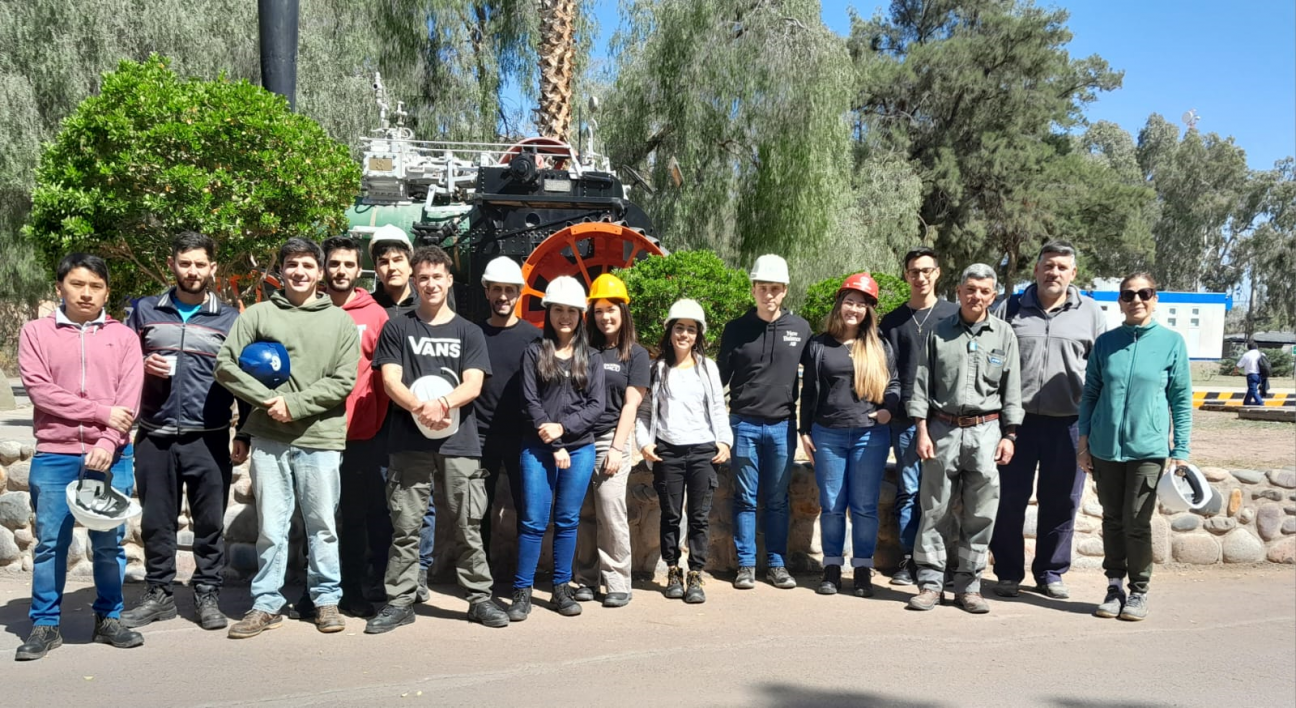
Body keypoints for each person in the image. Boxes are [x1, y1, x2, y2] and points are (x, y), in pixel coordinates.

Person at [215, 238, 359, 639]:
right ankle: (266, 604)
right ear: (281, 270)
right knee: (272, 527)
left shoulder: (340, 322)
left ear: (319, 272)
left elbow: (343, 381)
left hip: (321, 439)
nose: (300, 272)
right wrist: (267, 401)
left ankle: (326, 599)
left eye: (308, 265)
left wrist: (293, 405)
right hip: (269, 438)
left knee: (323, 525)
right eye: (292, 264)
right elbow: (225, 365)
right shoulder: (259, 314)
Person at [365, 245, 508, 633]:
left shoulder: (469, 331)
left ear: (449, 280)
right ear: (415, 281)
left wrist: (441, 403)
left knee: (467, 523)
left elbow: (474, 383)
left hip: (459, 442)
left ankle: (479, 599)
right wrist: (419, 407)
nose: (430, 283)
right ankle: (400, 601)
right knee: (407, 525)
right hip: (409, 440)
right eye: (422, 277)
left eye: (436, 276)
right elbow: (389, 380)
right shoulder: (398, 327)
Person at [16, 253, 144, 661]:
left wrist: (108, 441)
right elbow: (40, 391)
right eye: (77, 284)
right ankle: (45, 624)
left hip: (113, 457)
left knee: (110, 544)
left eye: (96, 286)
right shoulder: (35, 332)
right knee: (51, 544)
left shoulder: (123, 337)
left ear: (107, 291)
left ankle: (109, 618)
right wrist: (99, 412)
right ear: (60, 288)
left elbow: (130, 397)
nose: (86, 293)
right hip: (55, 454)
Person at [120, 232, 241, 632]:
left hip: (208, 435)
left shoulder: (230, 319)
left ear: (212, 268)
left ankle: (207, 594)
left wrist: (247, 434)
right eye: (185, 263)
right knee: (157, 522)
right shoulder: (143, 311)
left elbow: (245, 379)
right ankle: (159, 594)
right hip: (154, 435)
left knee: (209, 523)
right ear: (171, 264)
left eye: (200, 264)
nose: (192, 271)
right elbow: (119, 364)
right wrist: (141, 363)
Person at [989, 241, 1106, 600]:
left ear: (1073, 274)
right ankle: (1008, 572)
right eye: (1048, 265)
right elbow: (993, 359)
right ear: (1036, 269)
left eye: (1062, 267)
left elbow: (1100, 370)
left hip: (1069, 424)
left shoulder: (1090, 312)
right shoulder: (1009, 308)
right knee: (1009, 499)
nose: (1054, 272)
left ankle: (1050, 572)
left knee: (1061, 502)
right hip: (1016, 424)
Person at [907, 264, 1022, 615]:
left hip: (987, 432)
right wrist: (922, 431)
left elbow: (1012, 388)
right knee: (935, 508)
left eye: (984, 291)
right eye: (970, 289)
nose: (976, 296)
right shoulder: (939, 333)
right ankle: (930, 583)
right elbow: (922, 386)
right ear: (958, 291)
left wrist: (1010, 435)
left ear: (993, 295)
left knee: (980, 512)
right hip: (942, 430)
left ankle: (969, 587)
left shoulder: (1004, 335)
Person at [1078, 273, 1191, 622]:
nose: (1136, 300)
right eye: (1129, 294)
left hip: (1149, 450)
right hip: (1105, 448)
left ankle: (1139, 590)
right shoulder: (1106, 343)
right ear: (1120, 301)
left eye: (1144, 293)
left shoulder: (1172, 342)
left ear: (1155, 299)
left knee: (1137, 521)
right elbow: (1091, 394)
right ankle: (1114, 586)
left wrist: (1181, 449)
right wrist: (1084, 442)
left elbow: (1181, 399)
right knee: (1112, 519)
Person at [509, 276, 606, 620]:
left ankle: (561, 589)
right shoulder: (534, 352)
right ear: (548, 311)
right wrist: (554, 442)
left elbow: (596, 405)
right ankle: (521, 590)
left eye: (572, 310)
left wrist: (563, 431)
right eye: (559, 309)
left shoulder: (591, 358)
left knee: (567, 521)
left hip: (579, 449)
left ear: (581, 314)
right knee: (534, 521)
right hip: (537, 449)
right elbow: (530, 403)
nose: (565, 316)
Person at [800, 274, 900, 598]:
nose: (853, 309)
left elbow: (895, 384)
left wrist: (888, 410)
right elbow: (809, 391)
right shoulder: (818, 344)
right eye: (849, 301)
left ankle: (861, 569)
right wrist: (804, 430)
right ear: (840, 303)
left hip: (869, 436)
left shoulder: (880, 345)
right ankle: (831, 567)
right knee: (831, 504)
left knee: (864, 507)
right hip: (827, 434)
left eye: (861, 303)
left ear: (869, 310)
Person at [718, 254, 811, 590]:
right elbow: (719, 382)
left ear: (784, 290)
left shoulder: (800, 329)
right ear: (753, 289)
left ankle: (776, 563)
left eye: (775, 288)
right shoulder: (736, 330)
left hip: (781, 426)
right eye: (762, 288)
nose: (768, 294)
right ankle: (745, 565)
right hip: (743, 424)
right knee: (744, 498)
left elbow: (814, 382)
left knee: (777, 499)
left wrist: (807, 427)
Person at [637, 300, 732, 604]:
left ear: (698, 335)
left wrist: (724, 441)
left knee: (699, 516)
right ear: (670, 331)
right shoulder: (658, 369)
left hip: (703, 450)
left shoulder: (708, 368)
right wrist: (644, 442)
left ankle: (695, 573)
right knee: (670, 514)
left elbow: (718, 407)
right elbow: (645, 412)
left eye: (691, 329)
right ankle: (673, 570)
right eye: (680, 327)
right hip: (668, 450)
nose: (685, 334)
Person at [322, 235, 392, 619]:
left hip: (360, 436)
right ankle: (315, 593)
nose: (341, 271)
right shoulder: (311, 310)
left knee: (355, 518)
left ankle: (352, 591)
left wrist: (373, 422)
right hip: (315, 434)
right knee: (315, 518)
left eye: (348, 265)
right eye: (334, 264)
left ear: (357, 270)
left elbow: (383, 376)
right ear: (324, 268)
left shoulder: (375, 314)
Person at [880, 247, 959, 585]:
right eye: (914, 271)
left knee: (945, 492)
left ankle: (942, 560)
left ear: (937, 273)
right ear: (906, 275)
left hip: (946, 418)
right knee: (909, 491)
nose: (920, 277)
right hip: (905, 420)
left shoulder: (954, 315)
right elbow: (886, 371)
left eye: (927, 270)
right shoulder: (892, 321)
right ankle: (910, 558)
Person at [573, 274, 650, 608]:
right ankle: (585, 580)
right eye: (600, 310)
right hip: (580, 439)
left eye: (612, 309)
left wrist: (619, 449)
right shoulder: (582, 350)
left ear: (624, 312)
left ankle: (618, 581)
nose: (606, 316)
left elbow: (631, 404)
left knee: (609, 507)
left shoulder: (636, 355)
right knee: (584, 512)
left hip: (609, 439)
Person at [472, 257, 542, 574]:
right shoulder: (471, 334)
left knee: (526, 507)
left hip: (522, 437)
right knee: (477, 510)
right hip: (479, 435)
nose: (503, 296)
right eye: (496, 289)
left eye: (509, 290)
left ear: (519, 294)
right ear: (487, 292)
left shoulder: (534, 338)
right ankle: (480, 576)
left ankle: (523, 577)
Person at [370, 224, 416, 313]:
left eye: (397, 260)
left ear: (410, 266)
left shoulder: (427, 306)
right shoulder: (367, 308)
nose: (391, 267)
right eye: (384, 262)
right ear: (376, 270)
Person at [1236, 341, 1264, 406]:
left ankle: (1260, 403)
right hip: (1261, 375)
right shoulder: (1261, 354)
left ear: (1248, 348)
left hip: (1252, 375)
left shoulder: (1247, 355)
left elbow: (1239, 365)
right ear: (1257, 347)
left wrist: (1235, 372)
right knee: (1251, 389)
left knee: (1253, 390)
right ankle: (1246, 402)